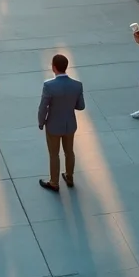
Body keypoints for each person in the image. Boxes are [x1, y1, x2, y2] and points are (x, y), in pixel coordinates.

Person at [38, 54, 85, 192]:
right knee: (69, 151)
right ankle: (69, 177)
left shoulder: (49, 86)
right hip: (70, 124)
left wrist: (41, 122)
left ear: (53, 67)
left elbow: (43, 107)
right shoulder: (77, 85)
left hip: (53, 125)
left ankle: (54, 182)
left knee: (54, 154)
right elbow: (81, 106)